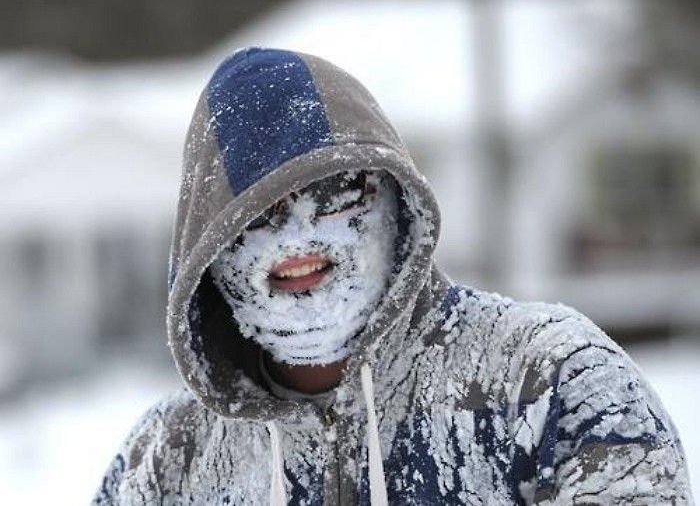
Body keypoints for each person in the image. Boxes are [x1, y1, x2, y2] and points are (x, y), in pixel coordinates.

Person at [92, 47, 693, 505]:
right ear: (208, 245)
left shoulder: (549, 384)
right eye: (259, 211)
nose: (301, 232)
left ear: (394, 202)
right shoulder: (168, 461)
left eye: (336, 191)